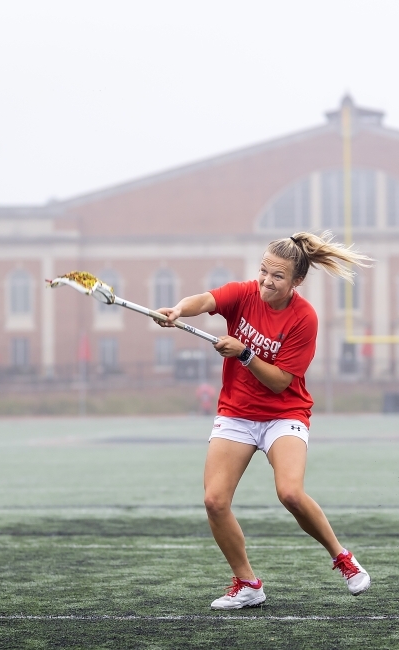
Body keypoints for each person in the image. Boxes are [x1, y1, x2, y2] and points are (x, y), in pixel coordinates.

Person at [156, 231, 373, 610]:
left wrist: (244, 353)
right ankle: (247, 583)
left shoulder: (305, 318)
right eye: (263, 271)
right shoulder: (243, 293)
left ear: (296, 282)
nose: (265, 282)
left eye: (277, 277)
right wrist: (177, 310)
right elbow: (206, 299)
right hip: (237, 412)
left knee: (289, 492)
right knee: (214, 501)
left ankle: (342, 557)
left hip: (284, 413)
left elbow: (280, 383)